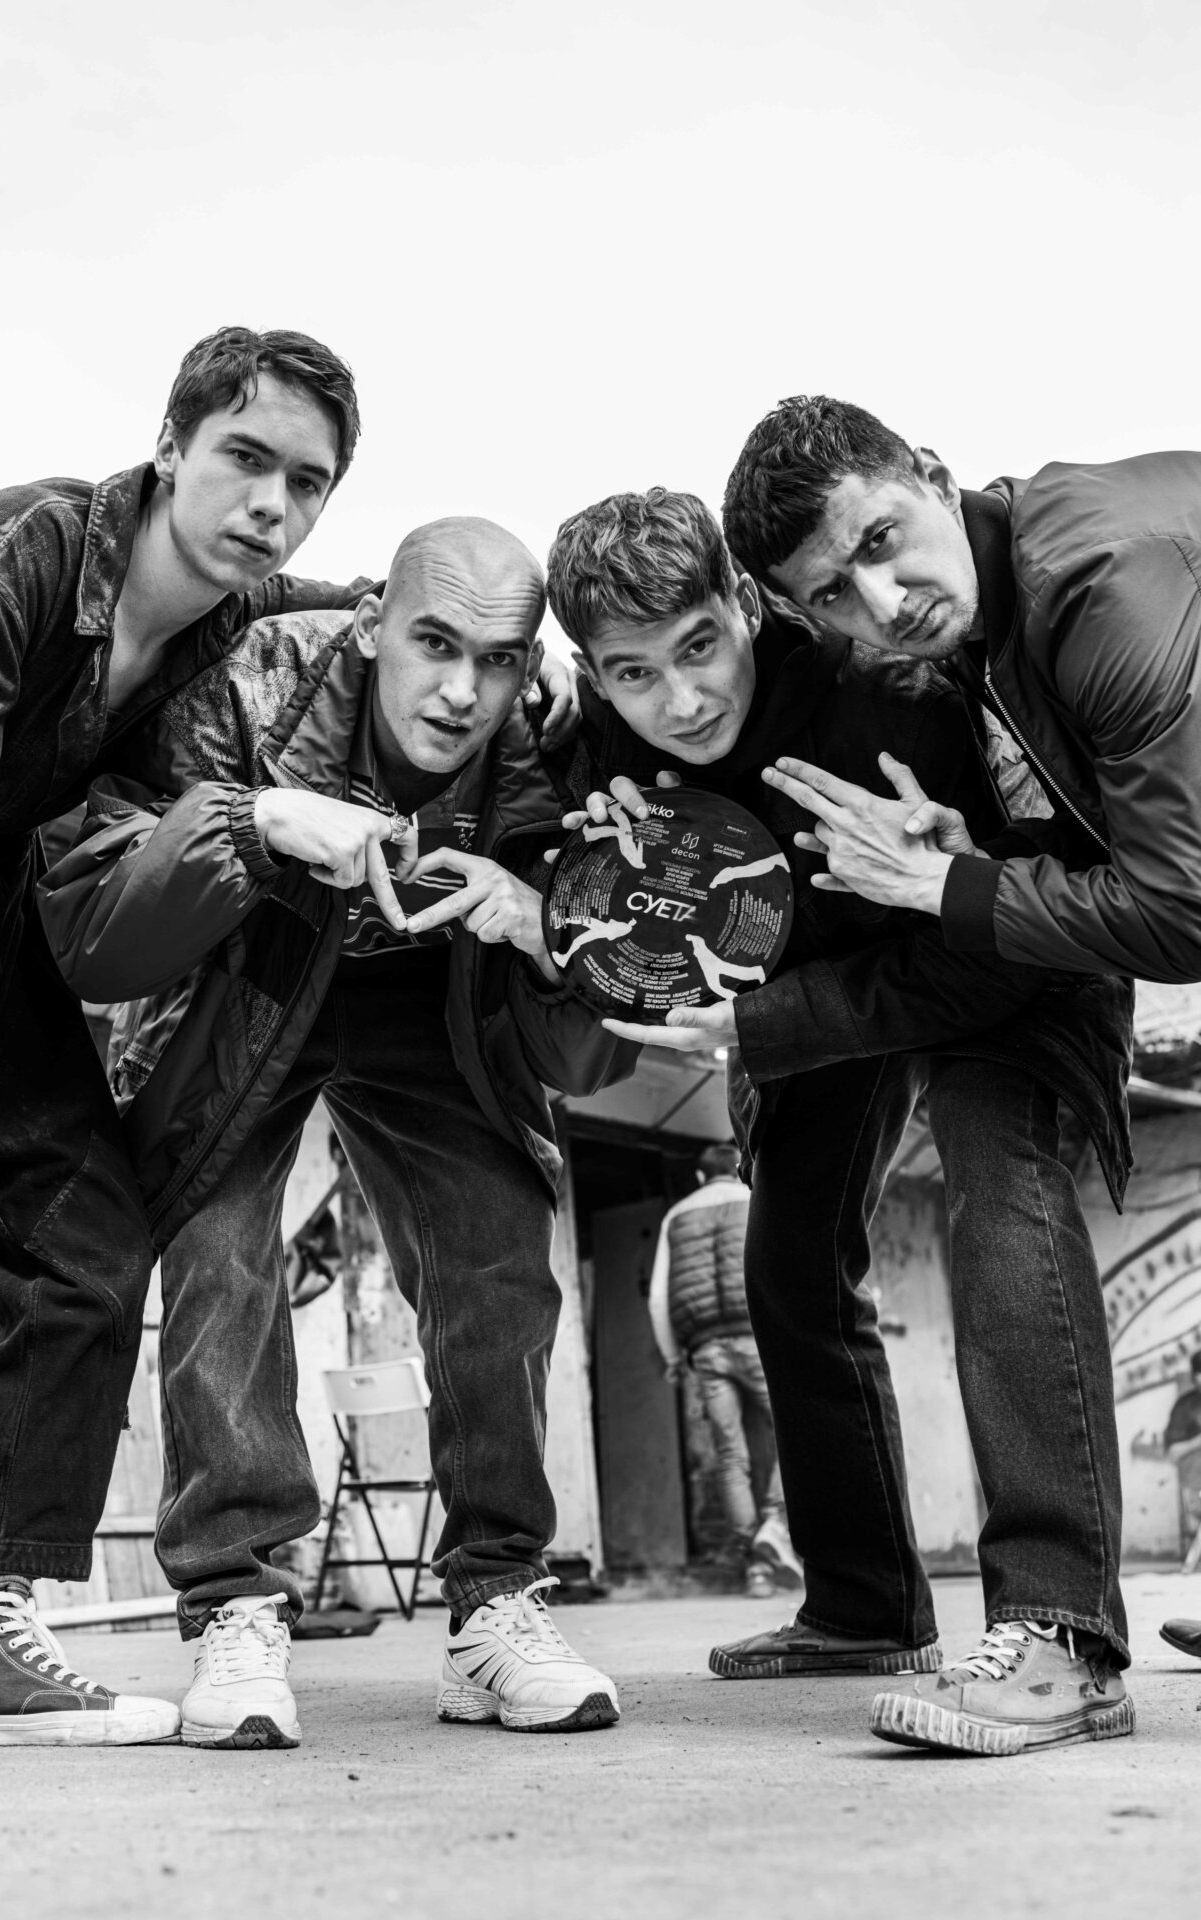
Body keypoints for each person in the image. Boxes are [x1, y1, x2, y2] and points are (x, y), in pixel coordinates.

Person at [543, 486, 1135, 1757]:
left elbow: (988, 958)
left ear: (744, 604)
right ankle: (863, 1605)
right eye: (633, 674)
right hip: (810, 983)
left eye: (699, 647)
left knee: (998, 1192)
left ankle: (1060, 1629)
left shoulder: (893, 695)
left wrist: (764, 1024)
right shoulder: (600, 735)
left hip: (996, 953)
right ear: (593, 673)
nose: (680, 701)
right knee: (790, 1261)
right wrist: (588, 842)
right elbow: (566, 828)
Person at [39, 517, 635, 1746]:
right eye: (434, 644)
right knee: (219, 1249)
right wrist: (254, 818)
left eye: (497, 658)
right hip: (245, 968)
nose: (462, 690)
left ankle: (495, 1600)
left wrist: (544, 917)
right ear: (371, 625)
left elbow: (606, 1017)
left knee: (497, 1252)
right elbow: (98, 902)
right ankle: (234, 1602)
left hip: (433, 993)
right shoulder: (249, 686)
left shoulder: (545, 744)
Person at [0, 324, 364, 1749]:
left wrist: (510, 664)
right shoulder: (27, 556)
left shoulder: (227, 619)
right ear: (170, 445)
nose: (270, 505)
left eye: (306, 481)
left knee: (87, 1242)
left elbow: (357, 602)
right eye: (245, 457)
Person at [719, 395, 1201, 986]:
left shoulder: (1098, 595)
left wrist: (935, 883)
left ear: (938, 482)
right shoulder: (982, 617)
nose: (888, 605)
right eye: (833, 592)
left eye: (879, 540)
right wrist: (972, 867)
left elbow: (1187, 917)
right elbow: (1120, 830)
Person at [648, 1142, 801, 1597]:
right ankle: (775, 1524)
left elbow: (658, 1298)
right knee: (796, 1434)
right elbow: (786, 1267)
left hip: (706, 1350)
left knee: (731, 1455)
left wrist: (673, 1358)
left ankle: (757, 1568)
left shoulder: (675, 1216)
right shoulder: (756, 1200)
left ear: (699, 1177)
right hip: (758, 1339)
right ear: (738, 1169)